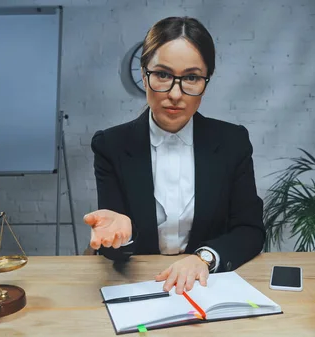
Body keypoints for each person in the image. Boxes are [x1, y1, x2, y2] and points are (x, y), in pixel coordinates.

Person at [84, 16, 265, 295]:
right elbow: (114, 252)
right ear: (145, 76)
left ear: (206, 81)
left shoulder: (232, 142)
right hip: (138, 285)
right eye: (163, 75)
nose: (176, 94)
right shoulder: (111, 145)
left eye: (191, 77)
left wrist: (203, 258)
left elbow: (250, 231)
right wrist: (123, 236)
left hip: (206, 285)